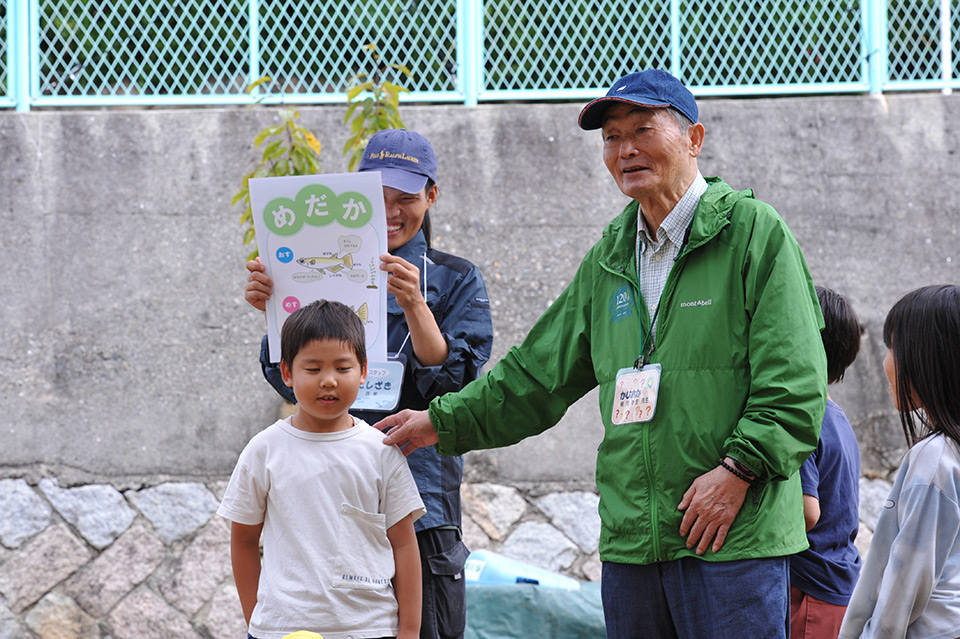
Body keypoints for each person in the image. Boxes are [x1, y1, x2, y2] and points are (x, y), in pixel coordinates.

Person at [378, 69, 827, 639]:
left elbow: (795, 380)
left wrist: (738, 471)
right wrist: (439, 422)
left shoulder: (753, 233)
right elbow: (534, 377)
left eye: (642, 130)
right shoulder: (610, 257)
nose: (625, 150)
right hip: (633, 543)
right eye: (612, 137)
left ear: (694, 139)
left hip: (731, 536)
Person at [244, 129, 493, 639]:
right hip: (327, 503)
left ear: (431, 196)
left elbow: (455, 385)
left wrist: (415, 304)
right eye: (378, 198)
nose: (392, 212)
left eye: (406, 198)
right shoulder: (317, 268)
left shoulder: (455, 278)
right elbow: (289, 380)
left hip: (421, 497)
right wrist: (276, 310)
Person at [218, 299, 426, 639]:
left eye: (342, 368)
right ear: (287, 372)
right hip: (282, 629)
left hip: (370, 628)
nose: (328, 381)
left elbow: (403, 545)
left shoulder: (381, 451)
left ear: (364, 371)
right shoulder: (264, 450)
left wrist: (410, 630)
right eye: (313, 369)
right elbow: (243, 540)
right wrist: (257, 619)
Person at [839, 284, 960, 639]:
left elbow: (900, 594)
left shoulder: (933, 460)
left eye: (893, 347)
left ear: (928, 358)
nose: (885, 361)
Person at [790, 286, 863, 639]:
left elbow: (808, 513)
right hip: (839, 582)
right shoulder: (838, 417)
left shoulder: (802, 417)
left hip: (810, 589)